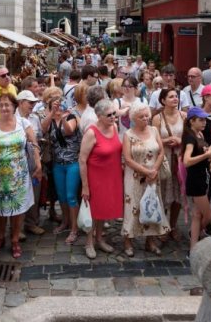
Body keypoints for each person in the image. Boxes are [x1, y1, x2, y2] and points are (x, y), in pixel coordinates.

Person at [0, 94, 37, 259]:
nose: (4, 108)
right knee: (0, 208)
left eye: (7, 105)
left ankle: (15, 239)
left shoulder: (23, 123)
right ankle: (0, 237)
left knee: (18, 208)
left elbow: (34, 143)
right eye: (1, 105)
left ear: (14, 107)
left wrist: (38, 164)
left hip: (20, 174)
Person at [121, 101, 170, 256]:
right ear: (134, 118)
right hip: (134, 177)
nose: (146, 118)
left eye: (147, 115)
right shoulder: (128, 135)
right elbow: (127, 159)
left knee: (152, 206)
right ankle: (128, 241)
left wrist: (154, 169)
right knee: (133, 207)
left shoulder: (154, 130)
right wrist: (146, 171)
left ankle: (150, 241)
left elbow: (161, 152)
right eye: (141, 116)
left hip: (153, 176)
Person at [79, 99, 124, 259]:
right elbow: (82, 159)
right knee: (93, 210)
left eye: (114, 113)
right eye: (109, 115)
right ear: (99, 116)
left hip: (112, 175)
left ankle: (99, 238)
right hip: (95, 176)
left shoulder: (114, 127)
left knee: (104, 209)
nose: (113, 117)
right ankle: (89, 242)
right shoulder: (91, 132)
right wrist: (85, 186)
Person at [42, 87, 82, 245]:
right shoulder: (50, 119)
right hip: (58, 164)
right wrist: (52, 114)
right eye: (53, 106)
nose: (57, 108)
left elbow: (70, 131)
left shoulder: (72, 116)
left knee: (72, 196)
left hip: (72, 163)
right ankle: (65, 221)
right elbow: (43, 128)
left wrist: (63, 117)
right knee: (62, 196)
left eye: (59, 105)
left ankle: (74, 228)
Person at [181, 106, 211, 249]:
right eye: (201, 120)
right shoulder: (190, 138)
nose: (204, 122)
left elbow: (200, 155)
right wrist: (207, 155)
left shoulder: (199, 134)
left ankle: (193, 246)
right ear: (191, 121)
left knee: (197, 215)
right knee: (209, 216)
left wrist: (208, 162)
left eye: (205, 119)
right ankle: (195, 234)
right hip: (196, 180)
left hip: (202, 177)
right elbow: (186, 161)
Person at [152, 88, 185, 239]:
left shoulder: (184, 116)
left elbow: (190, 137)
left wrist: (180, 141)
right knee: (162, 193)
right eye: (171, 97)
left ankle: (173, 226)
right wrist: (166, 141)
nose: (175, 99)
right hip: (163, 159)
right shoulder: (158, 118)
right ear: (163, 100)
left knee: (177, 194)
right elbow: (153, 140)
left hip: (179, 160)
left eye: (176, 96)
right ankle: (162, 225)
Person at [16, 90, 46, 236]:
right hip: (18, 160)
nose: (33, 105)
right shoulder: (13, 118)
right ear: (20, 103)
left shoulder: (34, 118)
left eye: (34, 102)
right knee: (19, 193)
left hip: (34, 158)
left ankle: (31, 223)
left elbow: (39, 135)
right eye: (30, 102)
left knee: (35, 190)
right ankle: (18, 227)